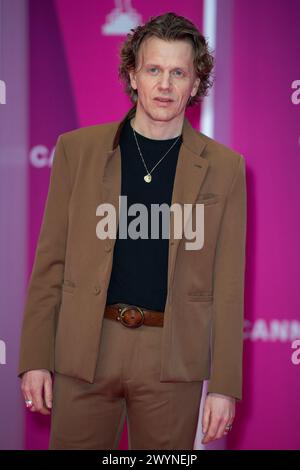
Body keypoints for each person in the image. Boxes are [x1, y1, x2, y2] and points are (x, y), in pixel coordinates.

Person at [18, 12, 247, 450]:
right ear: (133, 76)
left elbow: (228, 283)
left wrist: (224, 386)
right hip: (85, 347)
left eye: (178, 72)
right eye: (154, 70)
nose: (165, 85)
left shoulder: (225, 168)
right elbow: (51, 261)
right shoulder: (77, 151)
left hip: (171, 358)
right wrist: (35, 358)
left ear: (196, 83)